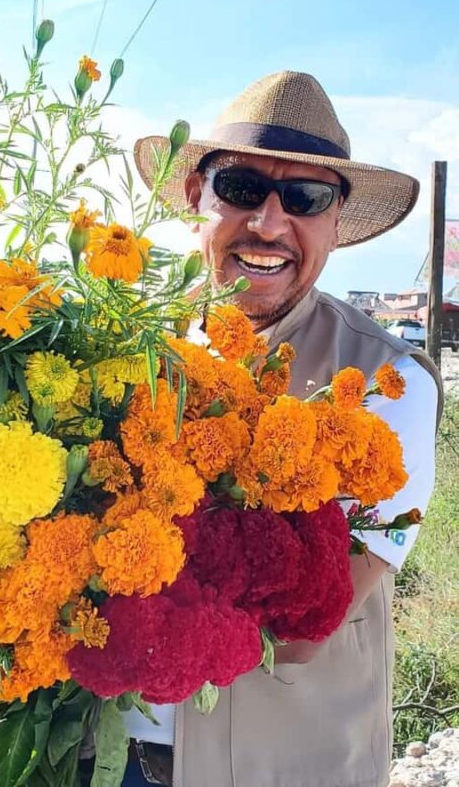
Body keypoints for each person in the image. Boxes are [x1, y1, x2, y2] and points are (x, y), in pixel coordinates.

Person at [118, 71, 443, 787]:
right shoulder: (124, 345)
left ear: (335, 223)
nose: (268, 223)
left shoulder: (391, 388)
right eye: (239, 186)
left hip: (274, 766)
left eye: (305, 198)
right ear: (194, 196)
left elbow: (304, 626)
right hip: (102, 755)